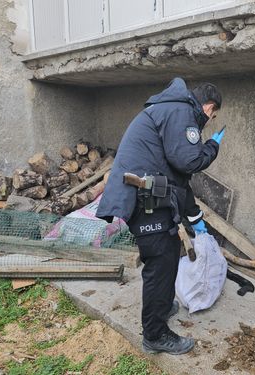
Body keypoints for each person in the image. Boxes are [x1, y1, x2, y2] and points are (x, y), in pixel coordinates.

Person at [96, 77, 225, 355]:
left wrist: (195, 217)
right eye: (212, 117)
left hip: (149, 196)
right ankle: (155, 334)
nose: (208, 122)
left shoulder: (171, 109)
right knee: (161, 261)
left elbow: (178, 178)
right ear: (208, 108)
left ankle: (163, 306)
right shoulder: (181, 112)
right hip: (144, 199)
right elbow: (189, 161)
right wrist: (212, 147)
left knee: (168, 250)